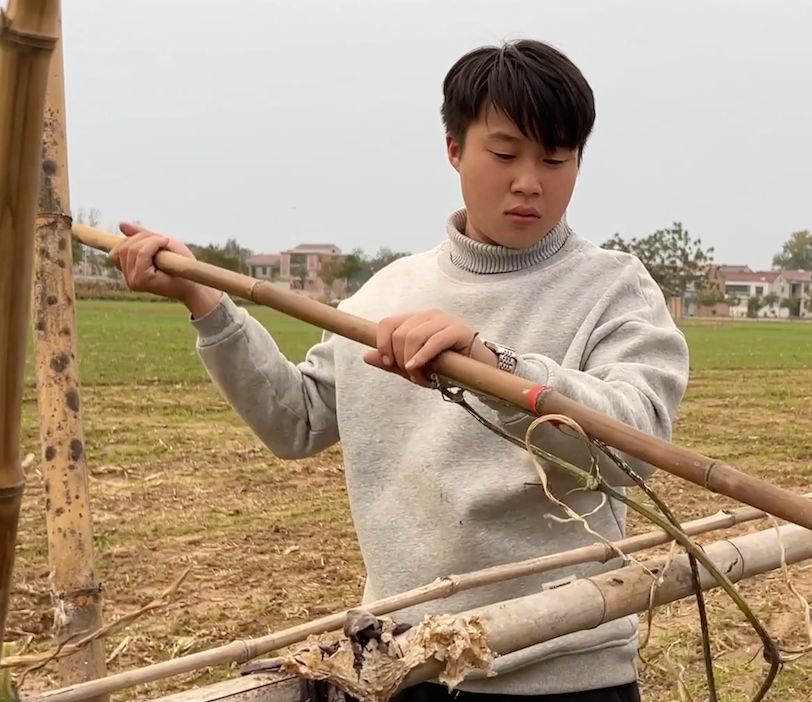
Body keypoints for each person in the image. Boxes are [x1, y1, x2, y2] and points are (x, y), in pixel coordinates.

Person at [110, 39, 690, 701]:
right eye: (504, 154)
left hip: (559, 674)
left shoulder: (613, 290)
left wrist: (490, 364)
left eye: (555, 158)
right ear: (454, 150)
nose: (529, 181)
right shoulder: (389, 293)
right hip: (405, 663)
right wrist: (203, 301)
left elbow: (632, 448)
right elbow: (293, 421)